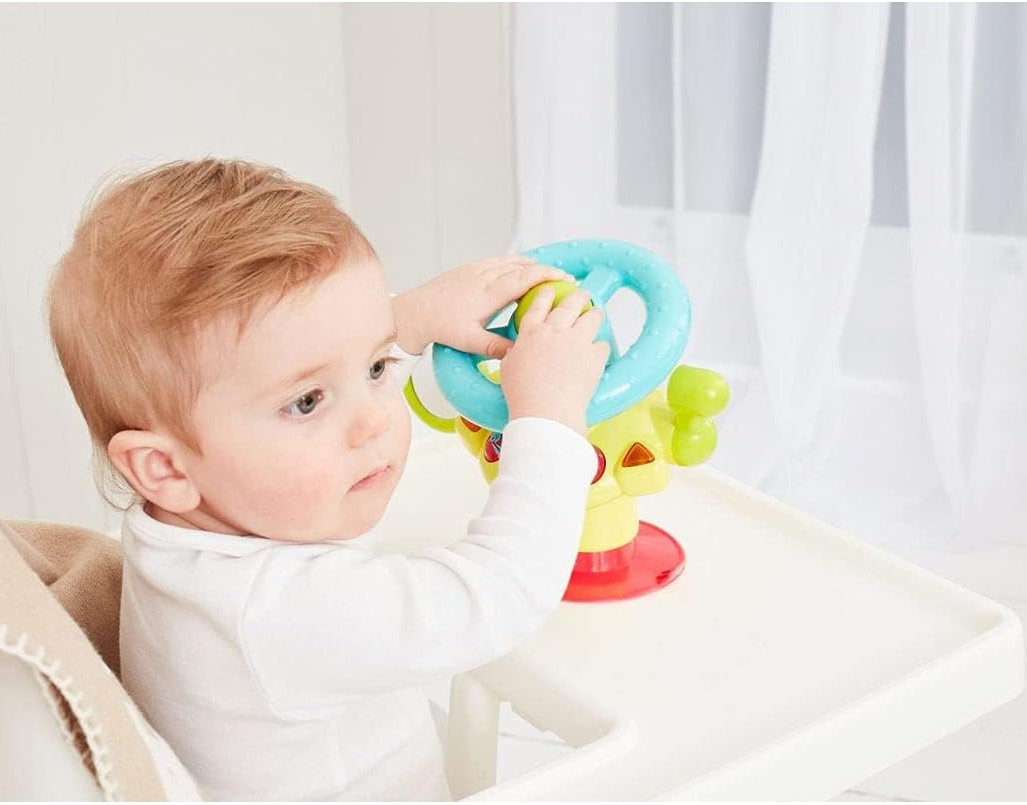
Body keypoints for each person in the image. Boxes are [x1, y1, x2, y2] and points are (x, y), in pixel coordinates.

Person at [47, 158, 608, 800]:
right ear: (165, 467)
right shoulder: (277, 613)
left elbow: (269, 359)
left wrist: (409, 318)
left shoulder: (180, 530)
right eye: (308, 403)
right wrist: (551, 416)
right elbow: (502, 593)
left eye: (374, 366)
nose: (375, 419)